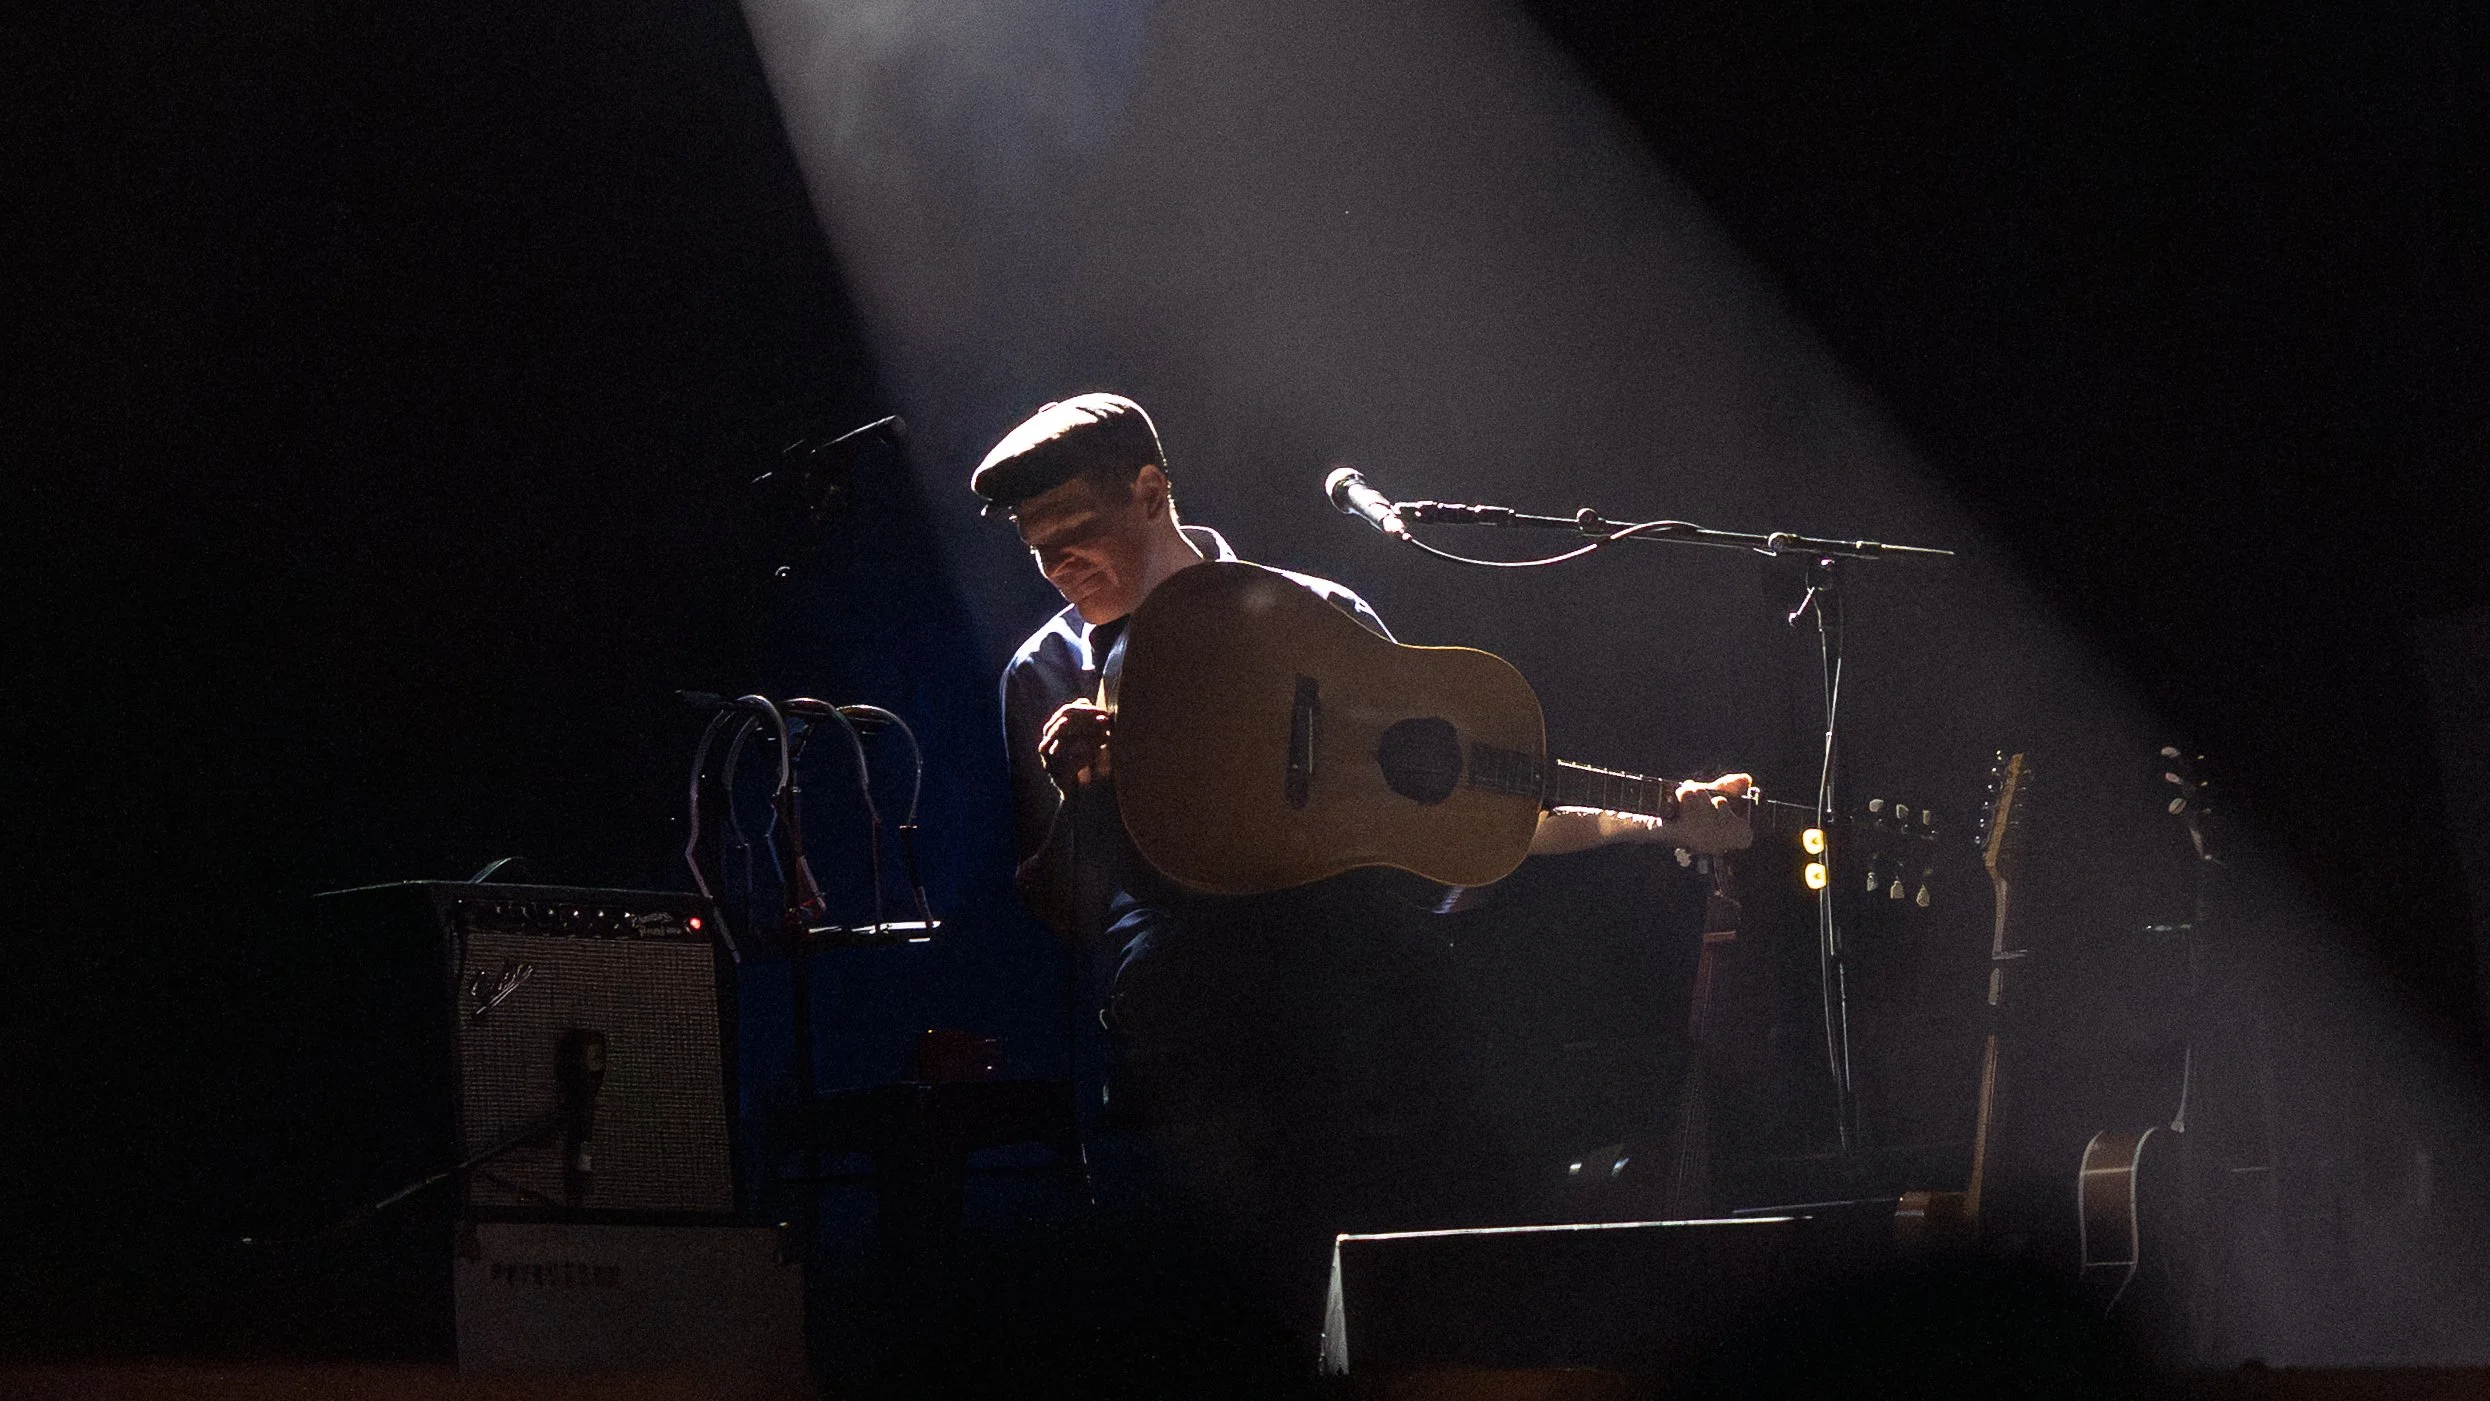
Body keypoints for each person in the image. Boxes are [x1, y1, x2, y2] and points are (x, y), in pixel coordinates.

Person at [975, 392, 1754, 1357]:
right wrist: (1082, 795)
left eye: (1076, 535)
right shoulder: (1044, 672)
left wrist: (1658, 816)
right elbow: (1066, 910)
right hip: (1203, 1011)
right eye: (1037, 551)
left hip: (1371, 981)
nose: (1057, 569)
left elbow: (1467, 810)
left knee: (1452, 1225)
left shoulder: (1320, 615)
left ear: (1150, 490)